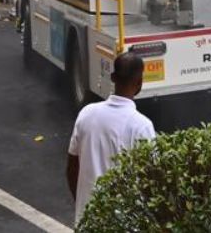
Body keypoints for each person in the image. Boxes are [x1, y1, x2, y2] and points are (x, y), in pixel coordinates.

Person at [66, 51, 156, 224]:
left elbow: (72, 168)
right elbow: (151, 181)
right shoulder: (142, 126)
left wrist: (82, 205)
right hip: (123, 224)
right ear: (140, 83)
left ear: (113, 77)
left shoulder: (86, 114)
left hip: (87, 221)